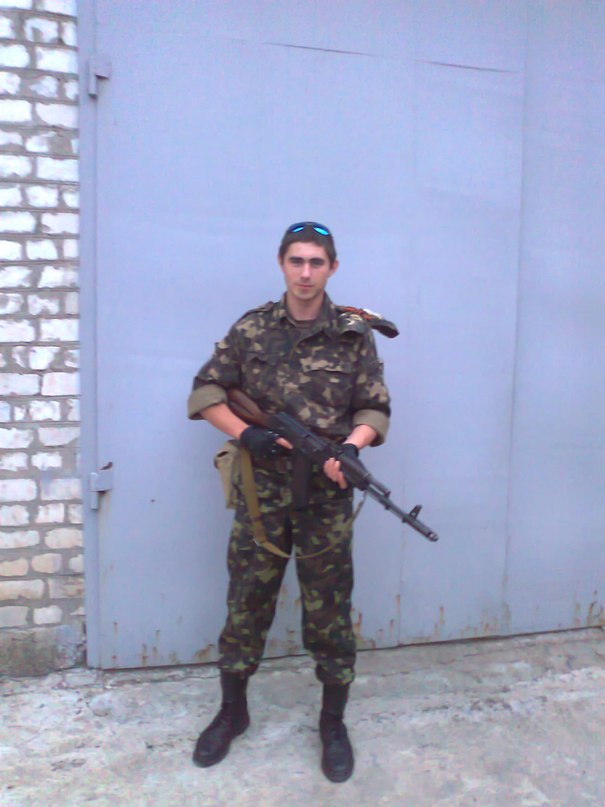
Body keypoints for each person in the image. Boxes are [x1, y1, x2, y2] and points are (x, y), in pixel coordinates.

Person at [187, 221, 391, 782]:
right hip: (262, 498)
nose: (305, 273)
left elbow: (374, 408)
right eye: (296, 261)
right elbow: (206, 391)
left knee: (330, 612)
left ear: (332, 268)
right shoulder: (252, 328)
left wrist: (350, 448)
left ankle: (332, 723)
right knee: (247, 602)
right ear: (282, 263)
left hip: (327, 497)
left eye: (316, 262)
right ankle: (233, 712)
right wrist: (246, 433)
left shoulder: (353, 335)